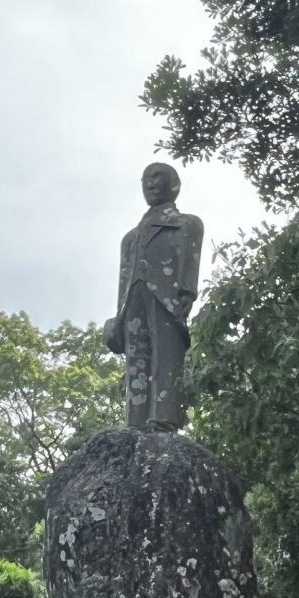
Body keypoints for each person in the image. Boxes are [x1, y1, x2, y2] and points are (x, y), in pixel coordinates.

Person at [104, 161, 204, 431]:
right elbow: (123, 280)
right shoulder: (130, 238)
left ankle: (163, 417)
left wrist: (186, 291)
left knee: (166, 353)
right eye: (146, 179)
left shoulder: (186, 224)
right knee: (137, 358)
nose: (151, 183)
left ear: (174, 185)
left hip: (166, 296)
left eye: (158, 177)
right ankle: (135, 420)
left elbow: (190, 262)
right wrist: (118, 318)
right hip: (133, 299)